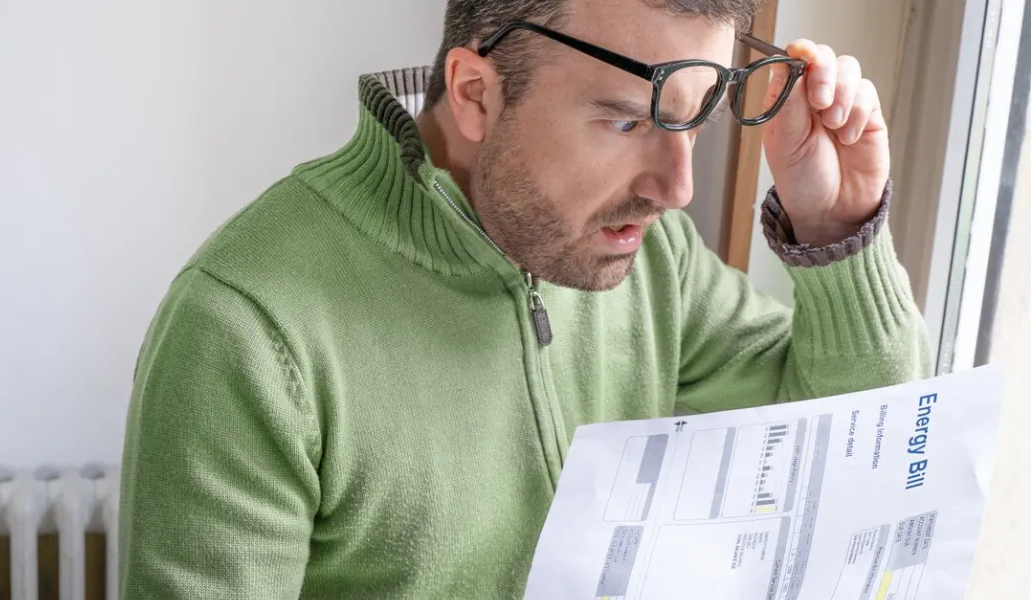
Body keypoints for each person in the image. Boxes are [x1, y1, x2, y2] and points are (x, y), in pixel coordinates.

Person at [118, 0, 930, 597]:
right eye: (624, 124)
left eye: (696, 123)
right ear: (474, 92)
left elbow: (858, 464)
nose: (676, 190)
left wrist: (837, 226)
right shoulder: (246, 330)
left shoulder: (656, 262)